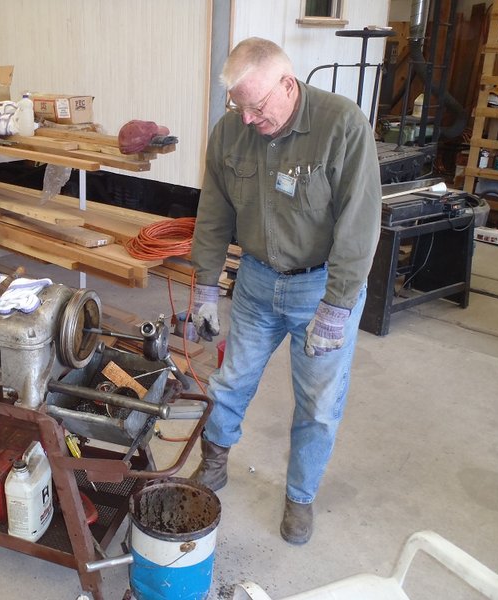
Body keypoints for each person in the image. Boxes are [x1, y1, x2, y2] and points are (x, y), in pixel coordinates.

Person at [189, 37, 381, 545]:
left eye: (256, 106)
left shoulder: (341, 125)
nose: (248, 119)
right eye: (239, 106)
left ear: (288, 85)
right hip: (255, 283)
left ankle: (300, 498)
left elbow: (360, 227)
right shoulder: (230, 134)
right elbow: (213, 215)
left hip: (321, 289)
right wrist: (206, 288)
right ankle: (214, 465)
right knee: (230, 384)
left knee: (318, 403)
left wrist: (338, 307)